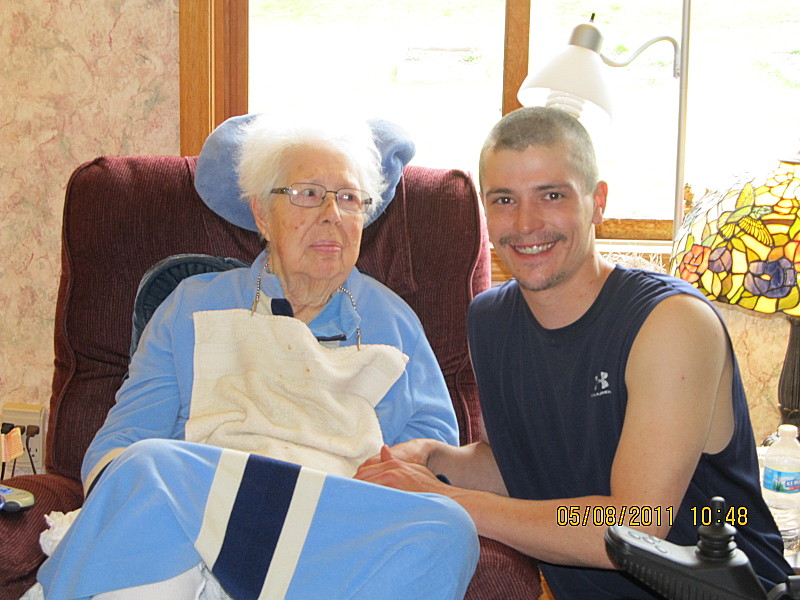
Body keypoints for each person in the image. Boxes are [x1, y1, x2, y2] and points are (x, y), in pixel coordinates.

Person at [30, 114, 478, 600]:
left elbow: (430, 457)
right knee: (146, 465)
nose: (332, 214)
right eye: (308, 193)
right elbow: (123, 442)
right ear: (262, 214)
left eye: (348, 198)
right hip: (203, 513)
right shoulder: (192, 305)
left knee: (448, 526)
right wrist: (132, 507)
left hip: (324, 533)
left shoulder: (394, 322)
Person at [356, 106, 794, 599]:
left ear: (597, 202)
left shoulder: (671, 323)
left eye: (552, 195)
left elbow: (635, 522)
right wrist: (436, 458)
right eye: (504, 200)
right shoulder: (489, 320)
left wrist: (445, 499)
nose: (526, 223)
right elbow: (524, 464)